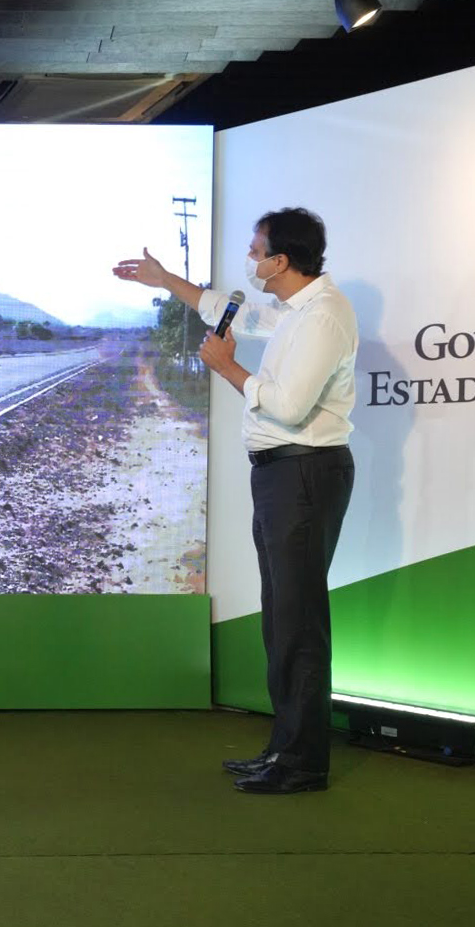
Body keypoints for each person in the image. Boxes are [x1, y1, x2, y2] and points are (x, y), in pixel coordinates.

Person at [113, 207, 356, 795]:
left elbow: (290, 407)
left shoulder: (323, 317)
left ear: (281, 261)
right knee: (282, 618)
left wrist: (225, 367)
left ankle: (303, 765)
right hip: (283, 477)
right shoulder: (297, 308)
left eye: (255, 251)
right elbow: (240, 311)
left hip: (303, 474)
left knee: (297, 624)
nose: (249, 259)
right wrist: (169, 281)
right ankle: (285, 749)